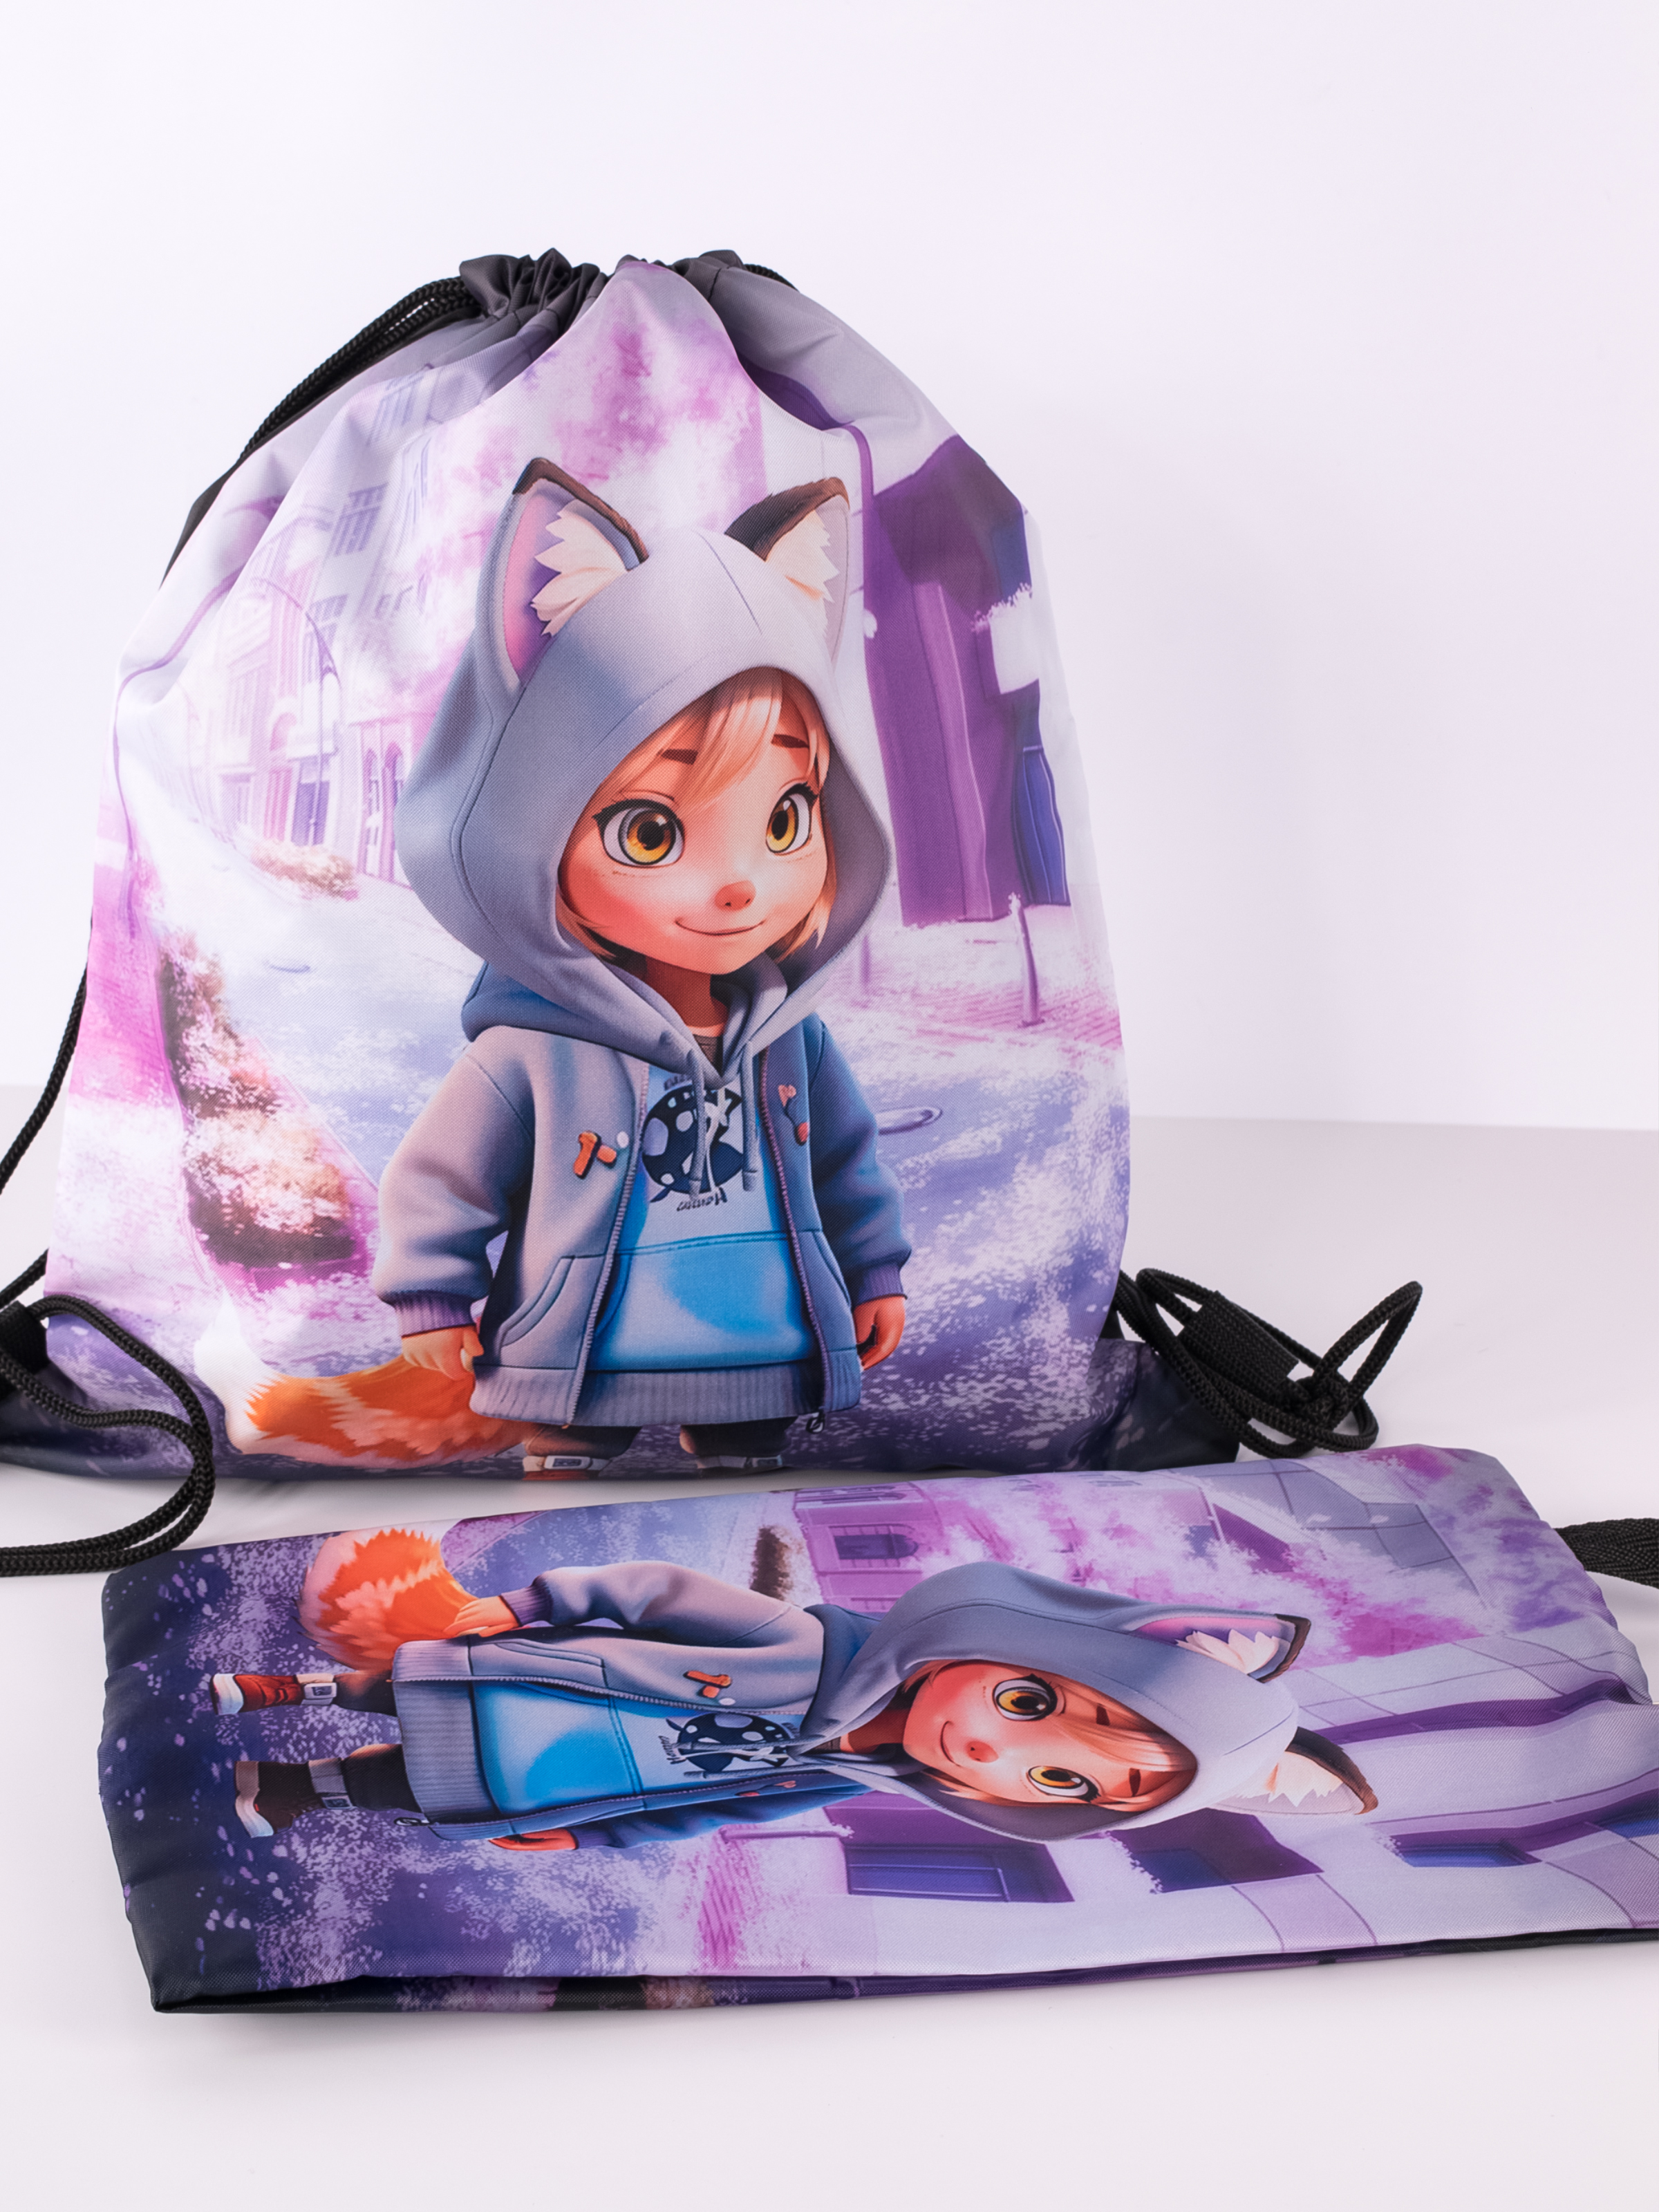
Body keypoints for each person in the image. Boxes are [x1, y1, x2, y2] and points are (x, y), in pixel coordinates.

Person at [374, 462, 908, 1474]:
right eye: (651, 832)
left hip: (764, 1350)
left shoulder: (789, 1040)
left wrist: (874, 1270)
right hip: (580, 1357)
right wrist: (432, 1295)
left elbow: (847, 1163)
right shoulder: (534, 1049)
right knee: (561, 1495)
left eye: (786, 821)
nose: (741, 886)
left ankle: (740, 1454)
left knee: (755, 1509)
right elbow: (445, 1174)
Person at [215, 1536, 1377, 1847]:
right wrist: (528, 1604)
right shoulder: (799, 1647)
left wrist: (593, 1838)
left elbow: (715, 1811)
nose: (992, 1751)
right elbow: (660, 1590)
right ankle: (280, 1689)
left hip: (575, 1778)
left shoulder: (846, 1774)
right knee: (397, 1691)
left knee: (417, 1785)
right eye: (1030, 1705)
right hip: (544, 1688)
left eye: (1063, 1783)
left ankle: (296, 1789)